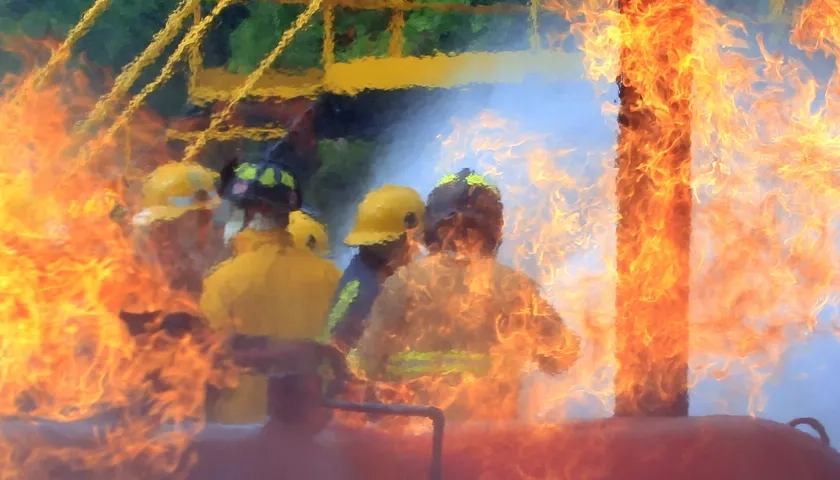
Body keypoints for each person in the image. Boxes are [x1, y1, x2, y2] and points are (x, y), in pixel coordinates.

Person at [355, 168, 581, 423]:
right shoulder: (514, 287)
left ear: (433, 224)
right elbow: (563, 357)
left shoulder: (405, 282)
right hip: (488, 442)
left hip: (413, 441)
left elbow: (366, 363)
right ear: (493, 227)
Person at [200, 155, 340, 424]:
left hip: (240, 429)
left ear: (257, 209)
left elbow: (208, 360)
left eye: (236, 208)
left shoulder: (223, 281)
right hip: (312, 426)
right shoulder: (331, 276)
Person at [324, 185, 425, 355]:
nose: (418, 247)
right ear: (393, 243)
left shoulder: (369, 275)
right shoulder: (365, 291)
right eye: (415, 239)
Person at [128, 161, 225, 308]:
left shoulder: (219, 265)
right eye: (156, 224)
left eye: (168, 223)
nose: (160, 234)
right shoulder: (138, 258)